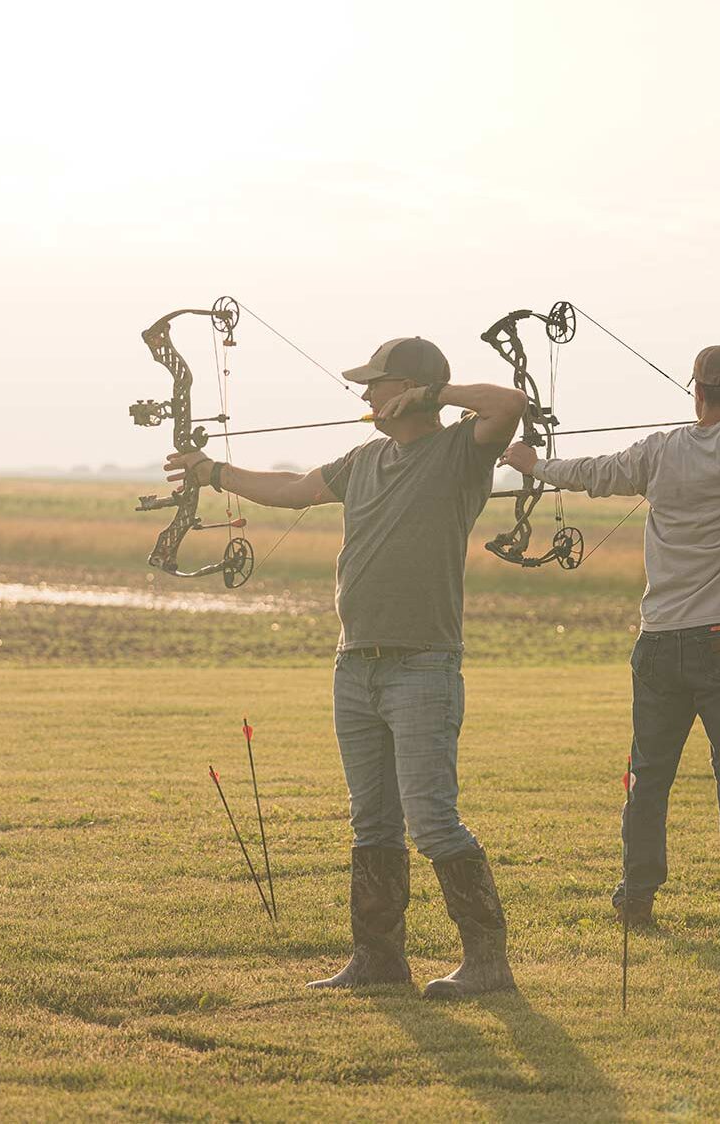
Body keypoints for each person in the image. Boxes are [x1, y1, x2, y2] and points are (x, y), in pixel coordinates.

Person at [165, 336, 527, 998]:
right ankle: (378, 958)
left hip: (423, 667)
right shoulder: (365, 458)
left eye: (377, 385)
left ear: (409, 389)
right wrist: (214, 474)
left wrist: (438, 396)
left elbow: (509, 404)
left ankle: (488, 965)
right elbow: (296, 488)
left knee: (433, 819)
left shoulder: (458, 454)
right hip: (355, 665)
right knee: (373, 821)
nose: (365, 397)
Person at [500, 345, 720, 936]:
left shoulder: (660, 452)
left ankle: (636, 899)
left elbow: (592, 473)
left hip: (660, 640)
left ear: (697, 392)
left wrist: (533, 465)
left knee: (648, 775)